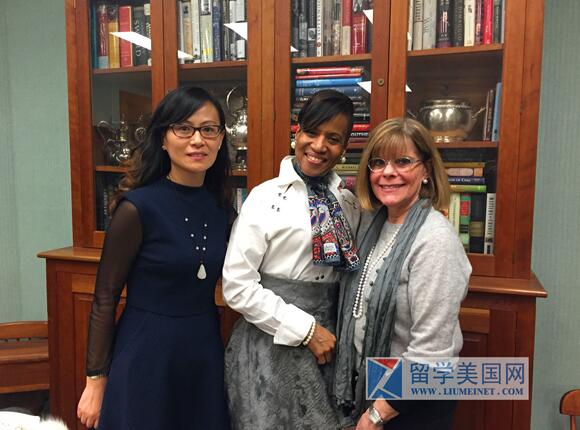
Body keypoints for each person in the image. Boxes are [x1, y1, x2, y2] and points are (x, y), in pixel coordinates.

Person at [76, 86, 232, 429]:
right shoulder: (136, 208)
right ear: (163, 138)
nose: (197, 140)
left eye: (209, 129)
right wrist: (95, 381)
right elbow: (104, 298)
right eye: (184, 128)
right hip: (146, 354)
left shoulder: (222, 207)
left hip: (203, 353)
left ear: (221, 139)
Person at [222, 89, 360, 429]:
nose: (319, 146)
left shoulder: (349, 203)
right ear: (297, 132)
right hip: (270, 345)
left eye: (333, 139)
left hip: (330, 348)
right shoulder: (264, 198)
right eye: (311, 132)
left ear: (344, 147)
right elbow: (237, 287)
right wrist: (307, 330)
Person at [333, 117, 472, 429]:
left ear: (426, 170)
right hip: (370, 389)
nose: (388, 172)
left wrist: (377, 413)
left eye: (403, 161)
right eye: (378, 162)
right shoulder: (371, 224)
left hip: (410, 406)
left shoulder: (435, 240)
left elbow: (431, 353)